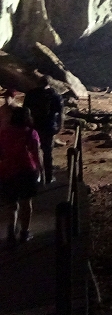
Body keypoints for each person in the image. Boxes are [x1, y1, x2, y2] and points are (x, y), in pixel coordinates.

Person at [0, 107, 44, 248]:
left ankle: (11, 232)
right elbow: (36, 153)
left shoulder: (4, 133)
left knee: (11, 203)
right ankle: (24, 232)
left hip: (7, 170)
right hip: (26, 170)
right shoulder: (31, 133)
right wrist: (41, 170)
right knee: (26, 202)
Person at [22, 77, 63, 184]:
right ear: (50, 83)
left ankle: (35, 175)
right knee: (47, 152)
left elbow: (25, 111)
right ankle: (48, 176)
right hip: (49, 126)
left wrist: (27, 125)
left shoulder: (31, 94)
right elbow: (60, 113)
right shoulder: (55, 95)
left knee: (33, 151)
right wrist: (59, 126)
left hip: (34, 126)